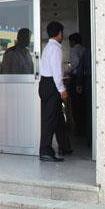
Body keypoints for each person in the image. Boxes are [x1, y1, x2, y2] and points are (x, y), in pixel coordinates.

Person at [38, 21, 71, 162]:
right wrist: (62, 89)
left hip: (46, 84)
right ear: (59, 33)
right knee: (50, 119)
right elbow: (56, 72)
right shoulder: (55, 48)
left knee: (57, 118)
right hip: (51, 85)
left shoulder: (48, 47)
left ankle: (65, 146)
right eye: (62, 32)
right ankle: (45, 151)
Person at [68, 33, 87, 136]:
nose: (69, 44)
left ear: (73, 41)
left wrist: (69, 71)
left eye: (70, 42)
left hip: (76, 79)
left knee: (75, 105)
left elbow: (76, 63)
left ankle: (78, 129)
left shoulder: (73, 50)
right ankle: (84, 128)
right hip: (85, 79)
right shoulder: (84, 50)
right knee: (83, 104)